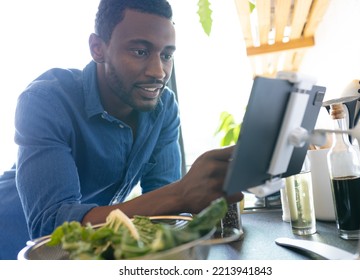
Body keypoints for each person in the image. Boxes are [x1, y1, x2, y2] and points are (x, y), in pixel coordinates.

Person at [0, 0, 243, 260]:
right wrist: (182, 193)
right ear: (97, 48)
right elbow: (51, 230)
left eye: (167, 55)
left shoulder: (164, 108)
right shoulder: (46, 99)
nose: (158, 72)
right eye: (140, 51)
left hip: (78, 260)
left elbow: (165, 213)